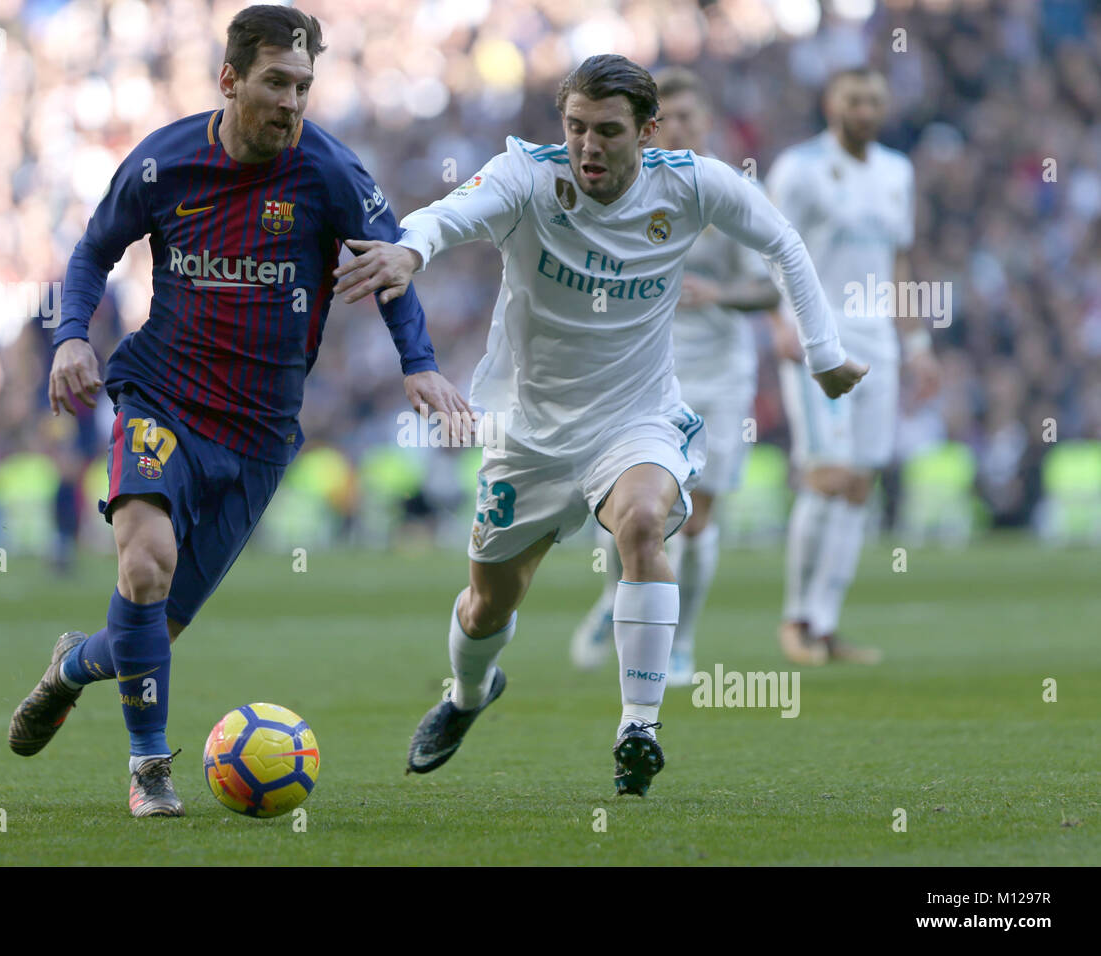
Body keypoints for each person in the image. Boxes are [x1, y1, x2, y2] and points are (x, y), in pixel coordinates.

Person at [334, 54, 865, 796]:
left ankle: (638, 727)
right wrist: (409, 249)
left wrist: (824, 353)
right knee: (488, 603)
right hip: (529, 434)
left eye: (608, 131)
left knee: (644, 521)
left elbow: (783, 242)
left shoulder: (689, 183)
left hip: (636, 418)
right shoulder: (528, 175)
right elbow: (450, 216)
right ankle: (466, 696)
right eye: (577, 126)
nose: (588, 146)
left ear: (647, 132)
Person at [8, 5, 468, 817]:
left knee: (147, 636)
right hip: (160, 396)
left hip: (258, 436)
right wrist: (72, 337)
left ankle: (72, 667)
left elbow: (387, 264)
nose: (293, 102)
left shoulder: (328, 172)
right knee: (143, 562)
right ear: (229, 80)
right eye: (277, 83)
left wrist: (420, 364)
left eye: (304, 86)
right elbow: (92, 252)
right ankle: (150, 769)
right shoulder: (162, 165)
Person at [569, 66, 781, 684]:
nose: (679, 129)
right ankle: (619, 597)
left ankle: (681, 641)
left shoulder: (732, 189)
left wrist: (716, 293)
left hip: (720, 373)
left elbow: (770, 288)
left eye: (690, 117)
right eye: (670, 120)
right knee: (630, 506)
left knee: (702, 514)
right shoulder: (622, 190)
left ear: (708, 122)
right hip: (641, 369)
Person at [768, 67, 940, 667]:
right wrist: (781, 320)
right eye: (854, 99)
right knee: (828, 474)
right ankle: (795, 619)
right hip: (820, 337)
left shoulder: (898, 171)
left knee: (860, 485)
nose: (865, 108)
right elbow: (771, 246)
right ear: (831, 103)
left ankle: (824, 623)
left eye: (874, 99)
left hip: (879, 342)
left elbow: (898, 261)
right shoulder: (799, 169)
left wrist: (917, 347)